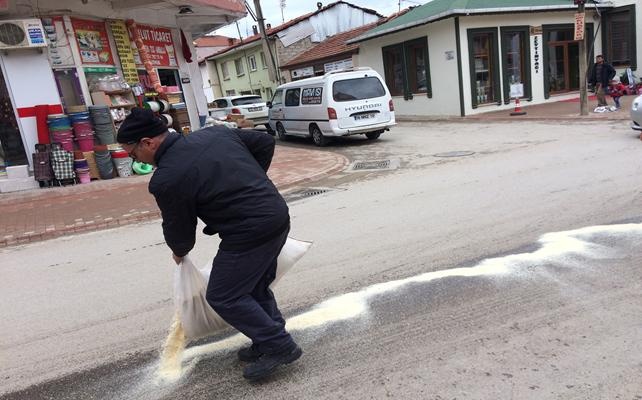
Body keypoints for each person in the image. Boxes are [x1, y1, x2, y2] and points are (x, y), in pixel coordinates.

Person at [116, 108, 302, 381]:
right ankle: (268, 337)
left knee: (224, 295)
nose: (135, 160)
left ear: (148, 143)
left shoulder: (167, 178)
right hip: (275, 214)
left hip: (248, 231)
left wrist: (179, 251)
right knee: (252, 285)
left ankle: (279, 344)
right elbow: (264, 143)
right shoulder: (215, 134)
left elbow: (179, 227)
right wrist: (251, 181)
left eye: (132, 153)